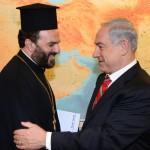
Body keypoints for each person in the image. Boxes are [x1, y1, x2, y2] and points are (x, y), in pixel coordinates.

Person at [14, 18, 150, 150]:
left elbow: (108, 139)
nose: (94, 53)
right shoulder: (103, 78)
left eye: (100, 47)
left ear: (123, 47)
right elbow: (93, 127)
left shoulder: (142, 90)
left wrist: (46, 139)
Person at [0, 3, 61, 149]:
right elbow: (25, 140)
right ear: (29, 44)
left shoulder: (33, 67)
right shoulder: (17, 79)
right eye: (51, 44)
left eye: (57, 43)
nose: (58, 50)